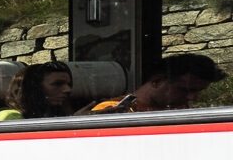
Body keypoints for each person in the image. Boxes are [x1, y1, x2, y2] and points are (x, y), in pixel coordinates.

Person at [87, 53, 226, 113]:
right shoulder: (113, 109)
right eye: (185, 90)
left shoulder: (179, 107)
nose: (192, 98)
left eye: (197, 92)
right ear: (157, 81)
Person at [0, 62, 74, 120]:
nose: (68, 90)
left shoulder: (56, 113)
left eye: (69, 84)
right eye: (57, 84)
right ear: (35, 88)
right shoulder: (9, 116)